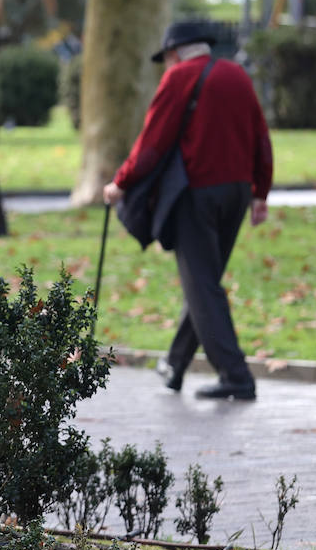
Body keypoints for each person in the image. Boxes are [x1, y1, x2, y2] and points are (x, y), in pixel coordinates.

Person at [103, 21, 273, 401]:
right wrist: (260, 191)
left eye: (165, 58)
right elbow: (260, 134)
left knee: (203, 285)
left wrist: (121, 182)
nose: (166, 66)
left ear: (176, 53)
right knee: (204, 283)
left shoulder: (178, 78)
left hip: (196, 194)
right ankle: (175, 365)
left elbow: (152, 141)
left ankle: (236, 376)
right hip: (237, 193)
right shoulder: (237, 75)